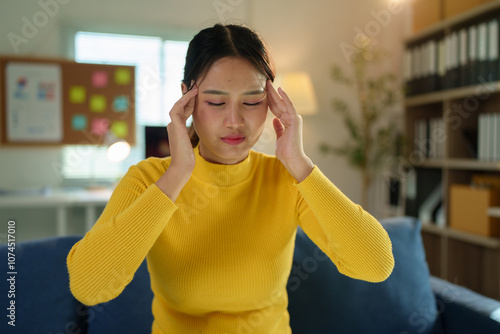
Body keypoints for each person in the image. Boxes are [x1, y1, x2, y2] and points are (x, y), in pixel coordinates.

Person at [67, 23, 394, 334]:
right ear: (187, 99)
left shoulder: (286, 178)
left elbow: (375, 265)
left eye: (252, 101)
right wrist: (177, 173)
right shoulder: (149, 179)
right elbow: (89, 287)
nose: (234, 120)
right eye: (216, 102)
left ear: (271, 102)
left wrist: (300, 164)